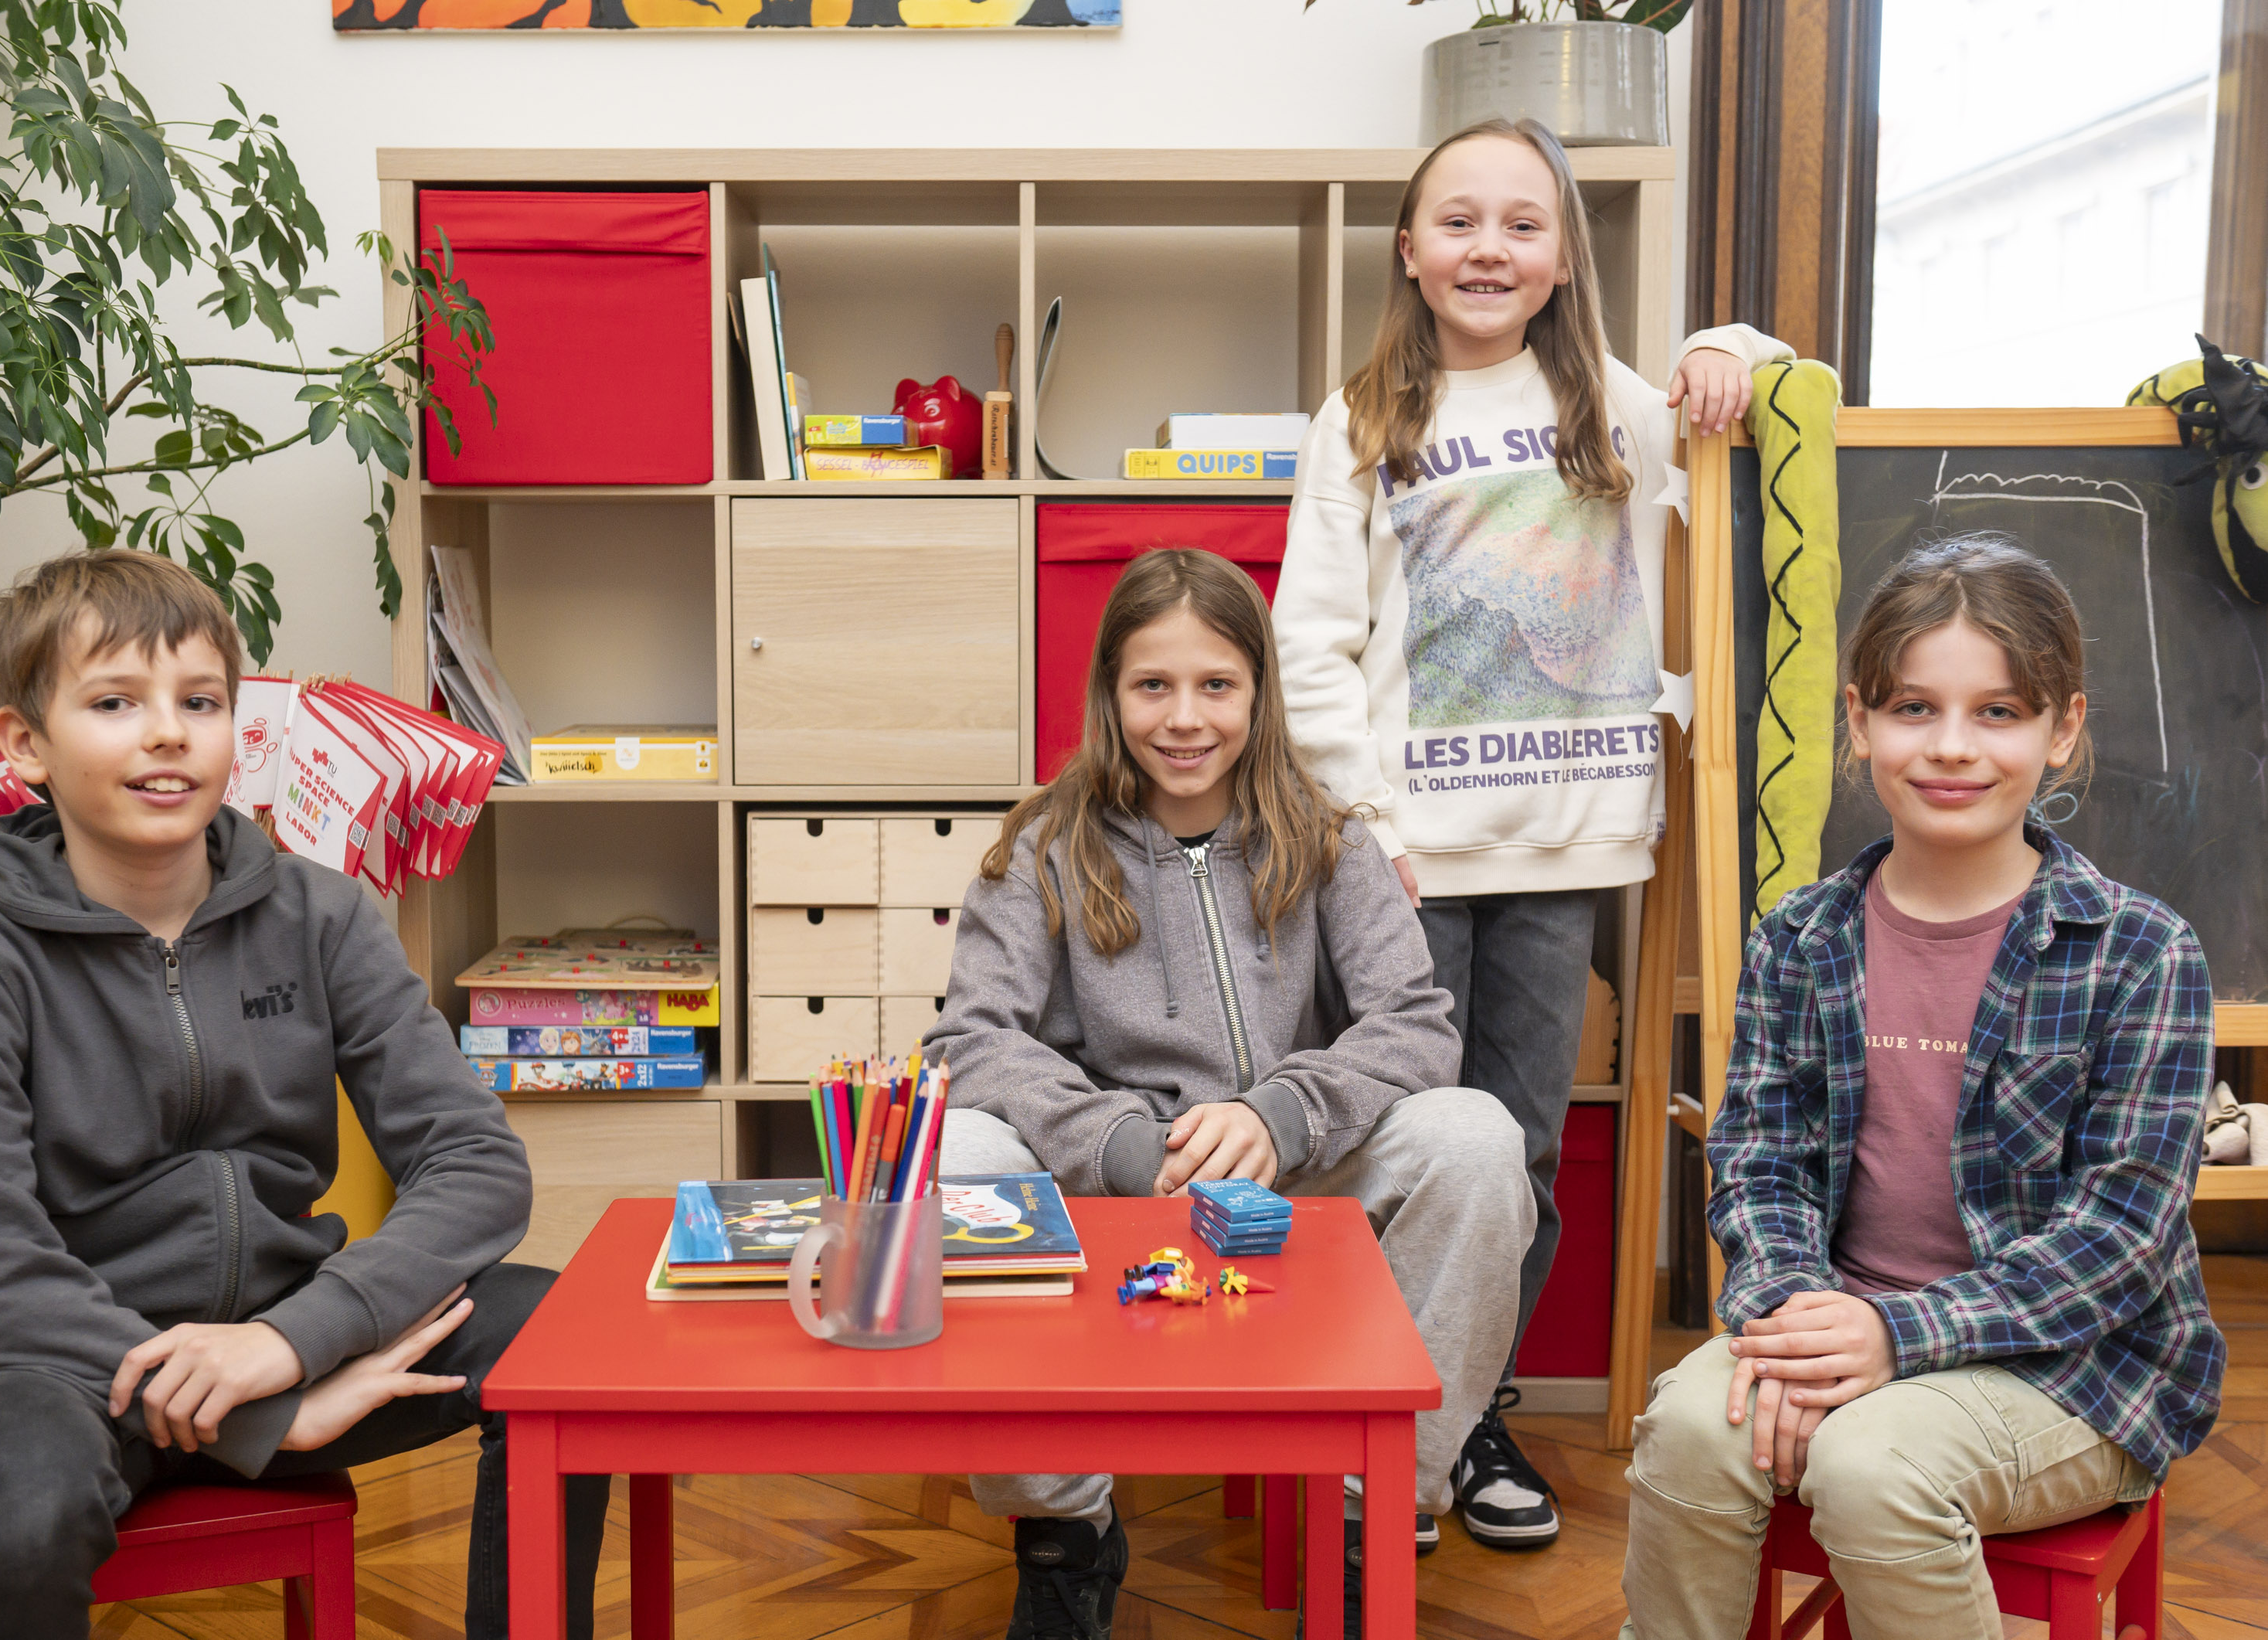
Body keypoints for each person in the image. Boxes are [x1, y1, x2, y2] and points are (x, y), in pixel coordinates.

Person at [0, 549, 610, 1640]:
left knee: (562, 1342)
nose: (168, 732)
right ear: (24, 743)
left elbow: (472, 1163)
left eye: (201, 700)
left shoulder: (319, 915)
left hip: (281, 1324)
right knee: (14, 1501)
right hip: (51, 1365)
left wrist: (294, 1340)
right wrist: (264, 1410)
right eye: (115, 702)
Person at [1272, 114, 1791, 1548]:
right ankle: (1370, 1411)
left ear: (1563, 256)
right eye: (1457, 221)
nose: (1487, 246)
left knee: (1519, 1151)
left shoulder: (1618, 407)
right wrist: (1359, 820)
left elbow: (1766, 396)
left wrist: (1736, 347)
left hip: (1562, 860)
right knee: (1389, 1143)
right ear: (1407, 249)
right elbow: (1308, 640)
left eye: (1519, 223)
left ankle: (1469, 1413)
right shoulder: (1361, 417)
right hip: (1405, 859)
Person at [1620, 537, 2224, 1639]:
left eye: (1998, 712)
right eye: (1912, 707)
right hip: (1842, 1316)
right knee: (1687, 1430)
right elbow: (1760, 1167)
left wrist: (1897, 1332)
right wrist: (1799, 1319)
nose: (1951, 746)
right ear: (1857, 721)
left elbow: (2118, 1239)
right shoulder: (1799, 938)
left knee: (1868, 1466)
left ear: (2063, 730)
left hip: (2070, 1365)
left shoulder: (2141, 951)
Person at [925, 547, 1533, 1640]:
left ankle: (1367, 1515)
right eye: (1152, 685)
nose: (1184, 718)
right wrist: (1114, 1140)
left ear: (1258, 690)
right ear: (1110, 693)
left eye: (1216, 685)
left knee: (1477, 1137)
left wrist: (1278, 1112)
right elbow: (971, 1038)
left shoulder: (1330, 838)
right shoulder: (1042, 843)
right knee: (952, 1158)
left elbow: (1414, 1024)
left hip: (1290, 1174)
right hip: (1106, 1183)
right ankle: (1063, 1534)